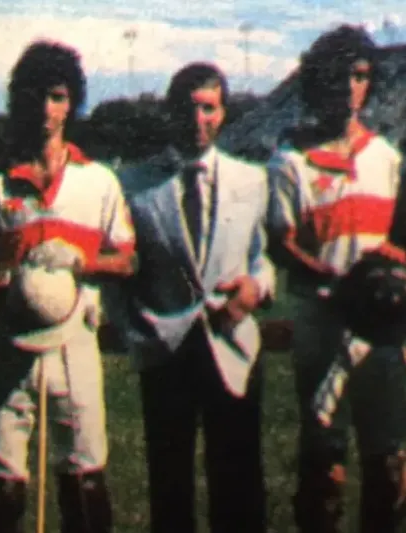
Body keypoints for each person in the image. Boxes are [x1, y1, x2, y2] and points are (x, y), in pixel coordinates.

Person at [0, 41, 136, 533]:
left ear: (72, 101)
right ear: (19, 101)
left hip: (75, 340)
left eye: (57, 96)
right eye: (35, 96)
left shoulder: (97, 182)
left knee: (84, 482)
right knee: (3, 488)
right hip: (10, 341)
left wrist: (85, 261)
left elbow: (128, 258)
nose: (46, 110)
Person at [106, 62, 275, 533]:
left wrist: (254, 288)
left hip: (233, 343)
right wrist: (134, 332)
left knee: (239, 484)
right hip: (167, 348)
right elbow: (118, 275)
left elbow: (263, 258)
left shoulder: (251, 180)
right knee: (170, 484)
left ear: (223, 113)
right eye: (188, 108)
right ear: (170, 112)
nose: (198, 119)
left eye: (209, 108)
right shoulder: (134, 185)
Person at [266, 25, 406, 533]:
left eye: (360, 76)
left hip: (379, 327)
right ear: (318, 82)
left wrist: (393, 266)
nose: (350, 88)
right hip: (323, 321)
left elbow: (404, 237)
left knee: (388, 458)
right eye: (340, 76)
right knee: (324, 460)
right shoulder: (291, 160)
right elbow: (281, 242)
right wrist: (335, 278)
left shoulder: (387, 157)